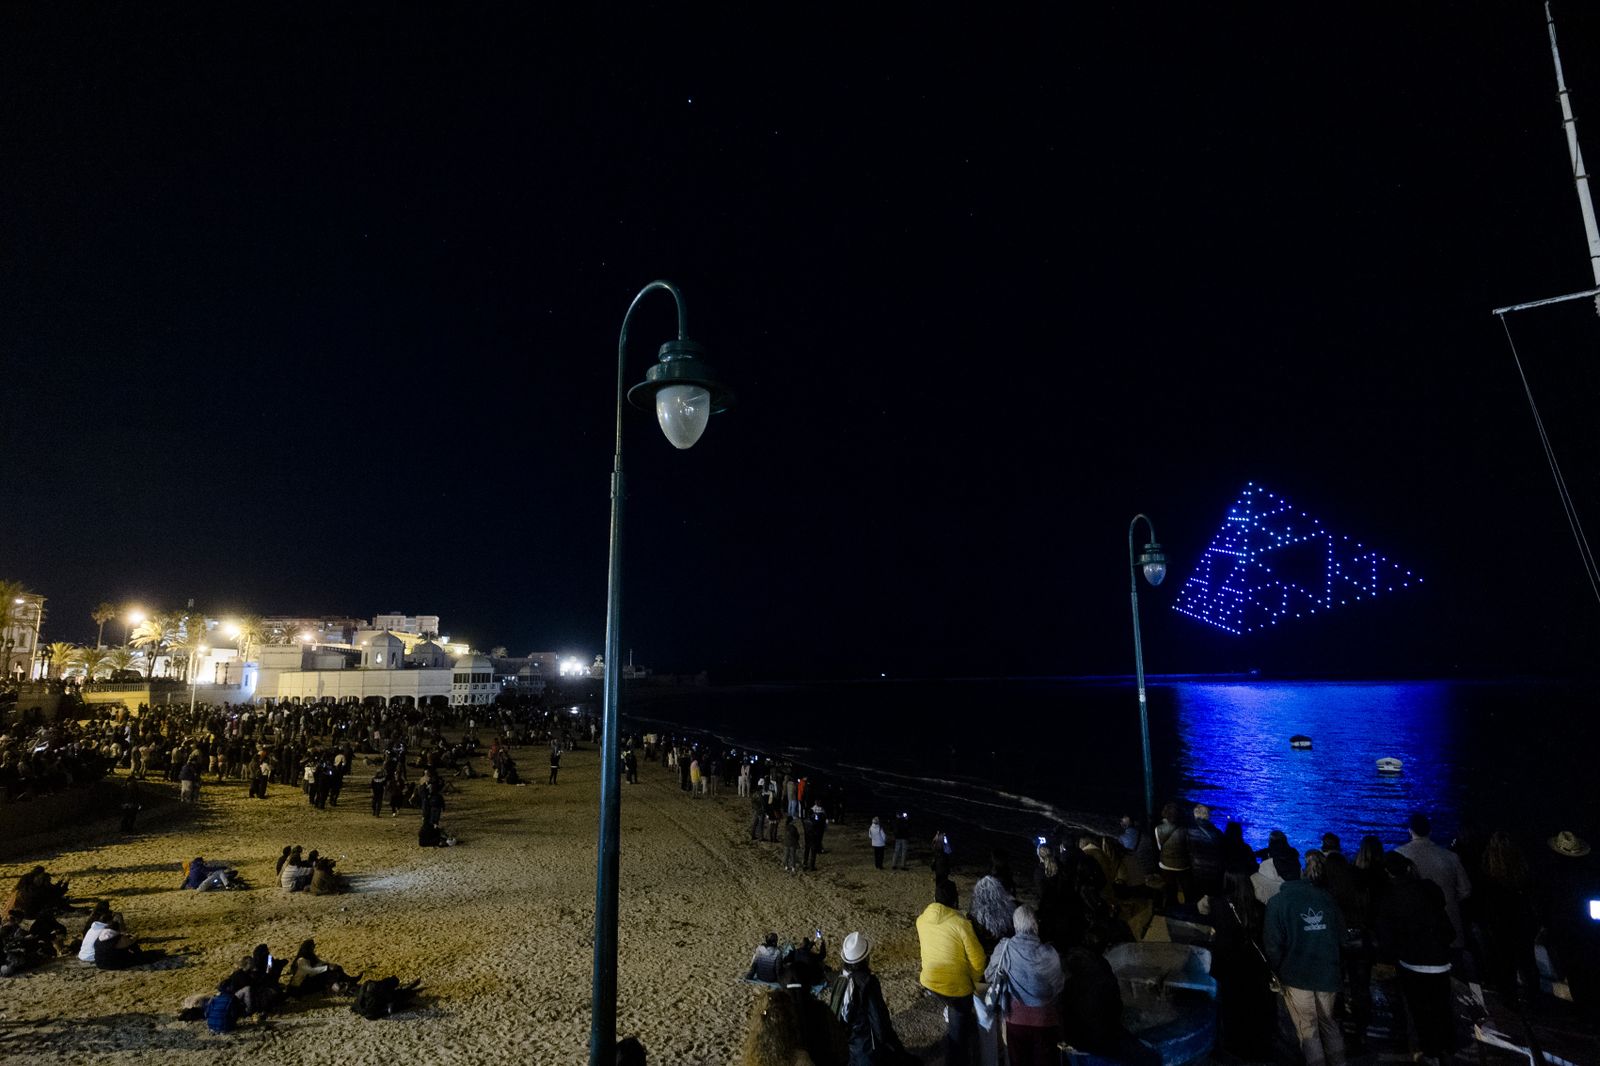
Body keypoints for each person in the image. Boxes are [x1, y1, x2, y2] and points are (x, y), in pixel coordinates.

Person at [1264, 852, 1346, 1066]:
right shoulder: (1325, 897)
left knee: (1307, 1028)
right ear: (1300, 870)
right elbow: (1342, 935)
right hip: (1328, 973)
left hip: (1297, 976)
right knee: (1329, 1023)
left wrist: (1277, 971)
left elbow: (1272, 945)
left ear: (1279, 874)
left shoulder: (1277, 903)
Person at [1377, 851, 1456, 1064]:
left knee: (1420, 1010)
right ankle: (1447, 1049)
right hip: (1440, 959)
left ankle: (1430, 1053)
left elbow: (1387, 937)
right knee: (1442, 1006)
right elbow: (1444, 920)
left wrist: (1387, 958)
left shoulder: (1389, 898)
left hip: (1412, 962)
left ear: (1387, 872)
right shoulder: (1429, 889)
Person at [916, 878, 986, 1065]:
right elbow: (979, 961)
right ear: (955, 901)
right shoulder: (961, 924)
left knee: (953, 1004)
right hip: (955, 989)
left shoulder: (921, 920)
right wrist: (975, 982)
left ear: (934, 898)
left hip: (929, 981)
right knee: (958, 1037)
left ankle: (951, 1011)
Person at [983, 904, 1064, 1065]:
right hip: (1045, 1021)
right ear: (1035, 925)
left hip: (1015, 1020)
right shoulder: (1050, 953)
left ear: (1015, 925)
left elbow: (989, 975)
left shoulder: (1004, 949)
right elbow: (1058, 987)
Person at [1396, 811, 1472, 956]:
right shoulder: (1450, 857)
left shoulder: (1400, 854)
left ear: (1410, 831)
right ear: (1430, 831)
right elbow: (1466, 890)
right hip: (1449, 923)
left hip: (1415, 927)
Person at [829, 932, 907, 1066]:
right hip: (866, 1048)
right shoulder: (867, 982)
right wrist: (892, 1045)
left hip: (847, 1045)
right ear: (866, 958)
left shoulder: (839, 978)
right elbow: (878, 1019)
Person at [1154, 802, 1193, 911]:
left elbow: (1159, 847)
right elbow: (1188, 846)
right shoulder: (1186, 828)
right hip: (1183, 865)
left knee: (1171, 889)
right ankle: (1188, 909)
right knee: (1187, 889)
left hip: (1166, 865)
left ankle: (1172, 908)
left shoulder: (1158, 829)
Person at [285, 938, 356, 996]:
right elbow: (310, 971)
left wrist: (330, 965)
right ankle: (339, 989)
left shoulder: (310, 956)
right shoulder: (301, 960)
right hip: (300, 987)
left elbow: (320, 962)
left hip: (308, 980)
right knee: (326, 975)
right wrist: (327, 968)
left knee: (336, 968)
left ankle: (348, 980)